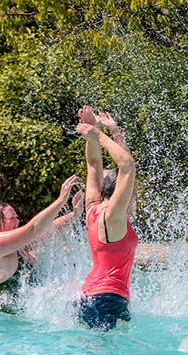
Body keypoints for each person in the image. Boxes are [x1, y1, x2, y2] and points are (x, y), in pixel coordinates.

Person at [75, 107, 138, 330]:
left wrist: (109, 132)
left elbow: (93, 164)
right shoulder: (113, 215)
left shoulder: (93, 205)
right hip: (107, 300)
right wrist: (98, 135)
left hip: (89, 297)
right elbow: (128, 166)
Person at [0, 175, 80, 313]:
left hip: (19, 317)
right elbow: (33, 228)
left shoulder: (18, 246)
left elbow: (50, 228)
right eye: (12, 218)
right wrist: (61, 201)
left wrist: (74, 214)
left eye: (17, 217)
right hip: (0, 321)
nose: (17, 222)